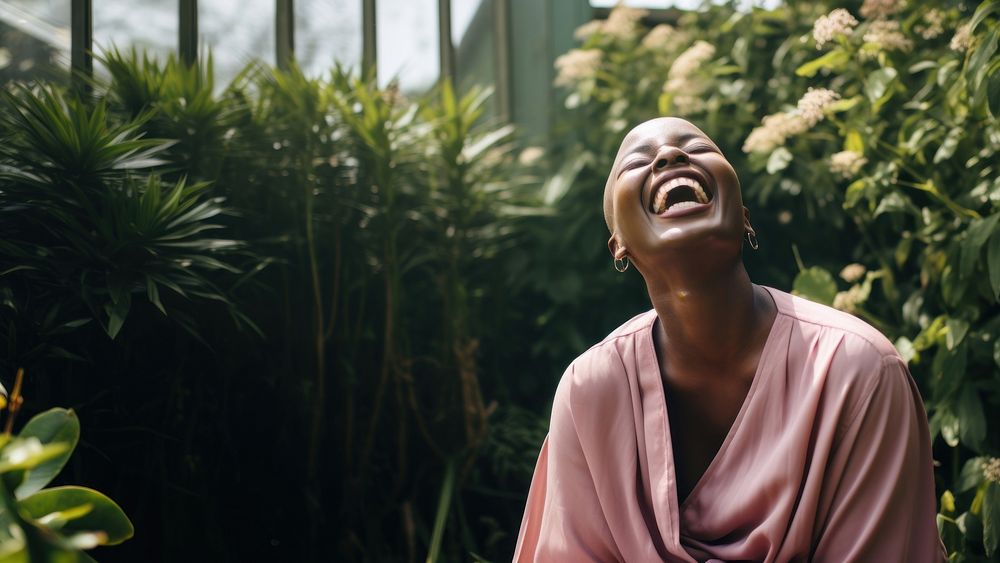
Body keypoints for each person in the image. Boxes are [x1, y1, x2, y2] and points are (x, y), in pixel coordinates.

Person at [513, 117, 946, 562]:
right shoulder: (591, 391)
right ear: (619, 245)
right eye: (638, 162)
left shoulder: (856, 370)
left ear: (743, 217)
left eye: (696, 147)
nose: (669, 156)